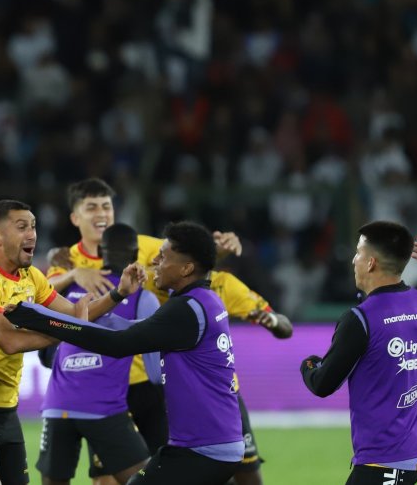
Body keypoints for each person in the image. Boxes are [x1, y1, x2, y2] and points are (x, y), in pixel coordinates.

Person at [47, 178, 283, 484]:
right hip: (105, 386)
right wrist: (73, 273)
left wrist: (217, 252)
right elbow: (43, 292)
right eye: (91, 207)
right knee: (109, 478)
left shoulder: (145, 247)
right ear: (75, 217)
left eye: (106, 205)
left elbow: (186, 261)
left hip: (149, 378)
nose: (101, 213)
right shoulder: (68, 260)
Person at [7, 221, 245, 485]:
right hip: (207, 444)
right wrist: (114, 297)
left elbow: (118, 343)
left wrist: (36, 318)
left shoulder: (186, 309)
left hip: (203, 449)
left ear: (186, 268)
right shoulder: (201, 301)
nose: (154, 260)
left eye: (164, 256)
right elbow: (128, 327)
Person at [0, 199, 141, 485]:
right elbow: (7, 340)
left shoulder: (31, 277)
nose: (32, 234)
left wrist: (117, 295)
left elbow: (74, 315)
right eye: (22, 227)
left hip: (7, 415)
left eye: (33, 226)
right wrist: (67, 330)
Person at [300, 223, 417, 485]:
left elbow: (322, 383)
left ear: (370, 263)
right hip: (416, 457)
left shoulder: (361, 319)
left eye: (358, 253)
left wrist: (308, 365)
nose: (353, 259)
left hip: (383, 461)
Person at [37, 223, 158, 485]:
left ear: (101, 252)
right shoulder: (142, 298)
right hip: (104, 408)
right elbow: (157, 374)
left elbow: (46, 354)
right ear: (136, 254)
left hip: (58, 407)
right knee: (144, 479)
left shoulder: (70, 291)